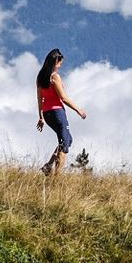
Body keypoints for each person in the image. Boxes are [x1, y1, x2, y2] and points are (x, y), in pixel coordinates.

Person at [34, 48, 88, 176]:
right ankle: (57, 178)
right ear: (55, 61)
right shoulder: (54, 77)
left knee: (67, 139)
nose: (60, 66)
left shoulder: (40, 77)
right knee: (65, 145)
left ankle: (48, 166)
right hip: (58, 113)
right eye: (60, 63)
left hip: (47, 114)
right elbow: (63, 98)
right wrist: (78, 110)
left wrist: (41, 117)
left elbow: (39, 99)